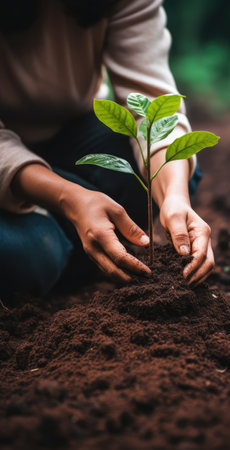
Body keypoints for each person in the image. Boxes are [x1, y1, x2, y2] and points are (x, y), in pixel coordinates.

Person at [0, 0, 214, 298]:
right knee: (30, 257)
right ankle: (61, 242)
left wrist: (176, 199)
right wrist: (70, 198)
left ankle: (67, 240)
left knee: (172, 177)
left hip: (73, 133)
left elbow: (152, 105)